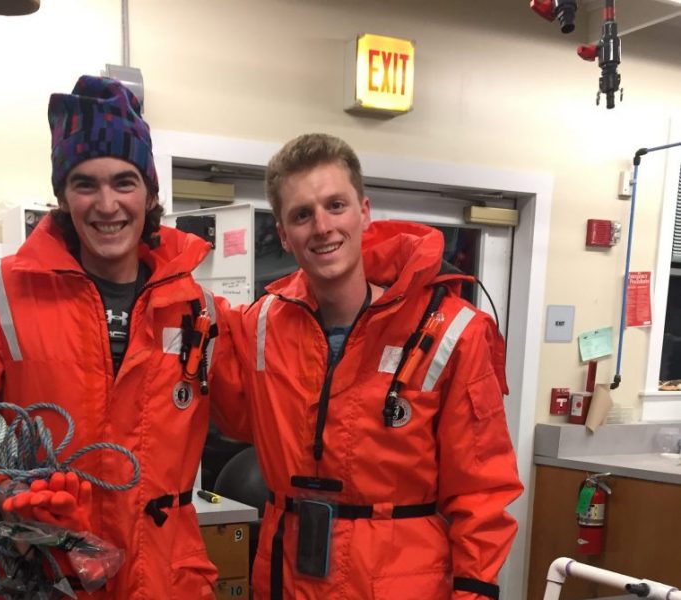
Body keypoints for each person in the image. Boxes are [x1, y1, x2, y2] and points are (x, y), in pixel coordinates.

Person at [0, 75, 225, 599]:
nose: (107, 204)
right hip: (44, 574)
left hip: (164, 578)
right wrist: (1, 493)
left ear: (149, 192)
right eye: (84, 184)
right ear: (63, 196)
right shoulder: (1, 293)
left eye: (124, 181)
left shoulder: (199, 310)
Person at [212, 133, 523, 600]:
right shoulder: (260, 327)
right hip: (287, 579)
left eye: (335, 205)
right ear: (282, 232)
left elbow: (481, 491)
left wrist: (474, 592)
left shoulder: (450, 333)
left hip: (402, 582)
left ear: (364, 211)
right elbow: (214, 391)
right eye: (302, 214)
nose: (322, 226)